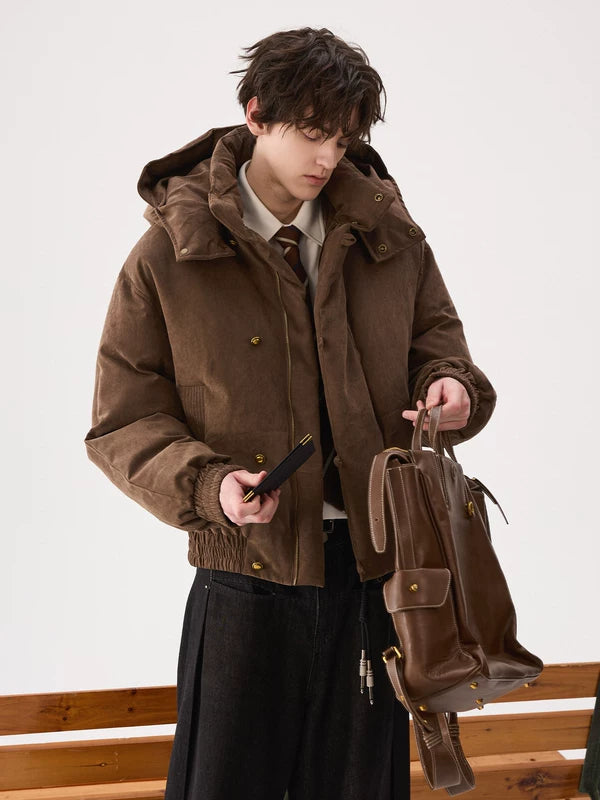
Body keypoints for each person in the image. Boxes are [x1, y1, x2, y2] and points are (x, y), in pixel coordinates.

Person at [84, 26, 496, 800]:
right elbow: (122, 422)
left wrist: (451, 386)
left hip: (377, 576)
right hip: (243, 580)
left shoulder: (389, 236)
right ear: (255, 114)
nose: (327, 157)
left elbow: (438, 343)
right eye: (311, 132)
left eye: (343, 138)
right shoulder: (169, 255)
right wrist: (210, 485)